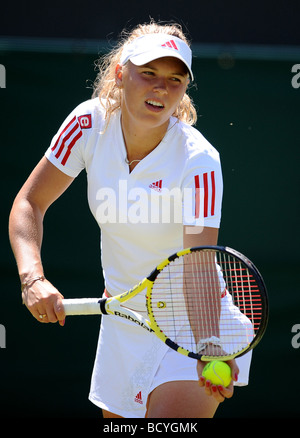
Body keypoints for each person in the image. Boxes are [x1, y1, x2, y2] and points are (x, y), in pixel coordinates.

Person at [9, 20, 251, 418]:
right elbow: (29, 203)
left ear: (185, 88)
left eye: (176, 79)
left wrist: (208, 343)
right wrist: (32, 279)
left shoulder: (199, 160)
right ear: (121, 73)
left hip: (195, 323)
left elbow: (199, 263)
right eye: (149, 73)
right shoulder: (87, 124)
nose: (161, 88)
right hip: (124, 323)